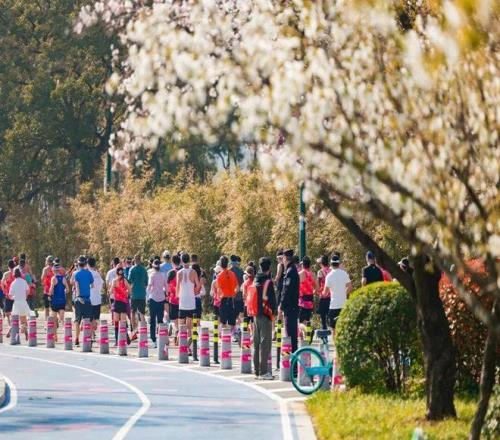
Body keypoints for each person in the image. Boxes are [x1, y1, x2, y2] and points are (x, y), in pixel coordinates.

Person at [252, 257, 277, 380]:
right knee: (265, 344)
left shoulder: (256, 279)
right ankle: (263, 372)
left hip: (255, 314)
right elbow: (272, 300)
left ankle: (257, 371)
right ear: (269, 267)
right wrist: (274, 313)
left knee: (256, 344)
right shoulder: (268, 281)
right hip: (266, 315)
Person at [323, 254, 352, 336]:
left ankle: (335, 343)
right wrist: (343, 293)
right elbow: (350, 287)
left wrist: (320, 293)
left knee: (334, 329)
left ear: (331, 264)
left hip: (334, 305)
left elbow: (325, 293)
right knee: (343, 327)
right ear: (339, 263)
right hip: (343, 304)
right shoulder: (344, 273)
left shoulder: (329, 276)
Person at [278, 249, 300, 354]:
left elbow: (286, 291)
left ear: (285, 258)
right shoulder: (292, 270)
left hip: (290, 307)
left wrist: (281, 305)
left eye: (282, 258)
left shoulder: (290, 271)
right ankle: (293, 357)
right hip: (293, 306)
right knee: (292, 335)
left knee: (290, 334)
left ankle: (293, 359)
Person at [176, 253, 200, 343]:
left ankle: (180, 344)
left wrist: (178, 296)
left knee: (181, 326)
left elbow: (177, 287)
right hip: (191, 302)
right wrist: (195, 292)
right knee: (189, 327)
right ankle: (189, 345)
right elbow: (198, 285)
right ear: (189, 260)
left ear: (181, 261)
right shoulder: (193, 272)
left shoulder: (179, 273)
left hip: (182, 301)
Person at [74, 256, 94, 347]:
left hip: (79, 299)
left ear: (78, 264)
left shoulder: (77, 274)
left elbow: (77, 287)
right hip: (87, 299)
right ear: (85, 264)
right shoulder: (89, 273)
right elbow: (92, 285)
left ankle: (77, 338)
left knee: (77, 320)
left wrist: (78, 296)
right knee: (88, 320)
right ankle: (88, 338)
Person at [147, 259, 168, 348]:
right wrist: (166, 295)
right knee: (160, 320)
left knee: (152, 320)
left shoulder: (152, 275)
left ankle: (154, 340)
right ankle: (161, 338)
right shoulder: (163, 275)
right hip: (161, 298)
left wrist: (148, 295)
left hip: (153, 298)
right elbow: (166, 287)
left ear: (153, 266)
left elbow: (149, 286)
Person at [216, 255, 239, 331]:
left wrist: (220, 297)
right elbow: (237, 287)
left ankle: (224, 336)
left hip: (223, 299)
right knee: (232, 322)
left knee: (223, 322)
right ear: (228, 264)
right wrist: (234, 294)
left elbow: (219, 290)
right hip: (231, 299)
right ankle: (234, 334)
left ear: (220, 264)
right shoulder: (232, 274)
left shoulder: (219, 275)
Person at [128, 254, 148, 338]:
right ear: (140, 260)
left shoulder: (132, 269)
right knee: (142, 313)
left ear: (134, 260)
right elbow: (146, 283)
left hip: (134, 294)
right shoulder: (144, 270)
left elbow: (129, 280)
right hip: (142, 294)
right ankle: (143, 330)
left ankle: (134, 330)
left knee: (133, 312)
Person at [49, 260, 69, 341]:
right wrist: (63, 292)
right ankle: (66, 334)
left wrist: (49, 295)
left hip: (55, 301)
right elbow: (67, 289)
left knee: (54, 320)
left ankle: (55, 336)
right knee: (62, 319)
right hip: (62, 301)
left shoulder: (53, 278)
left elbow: (51, 289)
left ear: (53, 270)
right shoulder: (63, 278)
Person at [9, 268, 31, 341]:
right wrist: (25, 296)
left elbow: (10, 295)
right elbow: (28, 291)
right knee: (23, 320)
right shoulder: (24, 282)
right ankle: (25, 332)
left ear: (14, 274)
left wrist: (14, 297)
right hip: (23, 302)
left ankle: (12, 330)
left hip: (16, 303)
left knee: (14, 320)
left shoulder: (13, 283)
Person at [111, 266, 131, 346]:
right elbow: (130, 289)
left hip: (117, 302)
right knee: (123, 322)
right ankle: (126, 337)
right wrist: (126, 294)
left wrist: (114, 292)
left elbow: (111, 291)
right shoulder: (124, 280)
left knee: (116, 321)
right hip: (123, 302)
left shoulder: (114, 281)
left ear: (116, 273)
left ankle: (117, 340)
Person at [298, 256, 316, 339]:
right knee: (307, 320)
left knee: (300, 322)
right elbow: (317, 288)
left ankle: (309, 330)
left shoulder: (301, 273)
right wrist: (312, 292)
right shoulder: (313, 274)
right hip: (310, 300)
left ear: (303, 264)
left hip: (302, 300)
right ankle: (307, 340)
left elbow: (295, 287)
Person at [88, 257, 104, 339]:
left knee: (90, 318)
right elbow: (101, 286)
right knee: (96, 318)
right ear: (94, 264)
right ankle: (94, 332)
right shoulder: (97, 274)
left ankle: (91, 334)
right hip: (97, 298)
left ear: (88, 264)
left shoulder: (87, 274)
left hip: (89, 299)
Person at [167, 254, 182, 338]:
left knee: (174, 318)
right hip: (182, 298)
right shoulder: (182, 272)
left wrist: (167, 295)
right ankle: (178, 333)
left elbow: (167, 286)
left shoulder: (171, 272)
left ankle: (175, 329)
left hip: (173, 298)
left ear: (172, 262)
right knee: (181, 318)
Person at [316, 255, 331, 330]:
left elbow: (318, 285)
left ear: (321, 263)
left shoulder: (320, 272)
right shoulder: (331, 270)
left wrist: (318, 292)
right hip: (331, 295)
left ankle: (324, 330)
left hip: (323, 295)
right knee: (329, 314)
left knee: (323, 316)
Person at [2, 259, 16, 327]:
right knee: (15, 311)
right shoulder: (17, 272)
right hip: (15, 294)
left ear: (8, 266)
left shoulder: (6, 274)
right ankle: (15, 324)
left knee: (7, 312)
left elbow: (2, 283)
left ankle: (10, 325)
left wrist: (4, 290)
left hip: (8, 294)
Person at [241, 264, 256, 333]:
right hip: (255, 305)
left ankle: (245, 336)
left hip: (247, 305)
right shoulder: (256, 282)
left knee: (246, 321)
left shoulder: (245, 283)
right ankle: (253, 335)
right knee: (253, 321)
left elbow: (244, 295)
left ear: (247, 274)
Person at [41, 255, 55, 320]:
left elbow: (42, 278)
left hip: (47, 290)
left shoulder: (45, 269)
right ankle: (54, 319)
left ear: (47, 261)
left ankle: (47, 320)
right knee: (53, 307)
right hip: (54, 290)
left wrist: (43, 283)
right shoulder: (55, 268)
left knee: (46, 307)